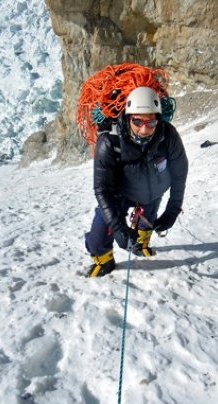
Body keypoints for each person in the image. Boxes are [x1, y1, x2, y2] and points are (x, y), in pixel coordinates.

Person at [85, 86, 188, 277]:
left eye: (151, 123)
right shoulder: (110, 141)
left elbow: (179, 173)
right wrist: (118, 228)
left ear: (158, 119)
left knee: (145, 227)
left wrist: (172, 210)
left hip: (153, 193)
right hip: (119, 195)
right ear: (128, 116)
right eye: (137, 121)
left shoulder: (168, 135)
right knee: (98, 237)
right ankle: (104, 259)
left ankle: (141, 244)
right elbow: (102, 189)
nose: (144, 129)